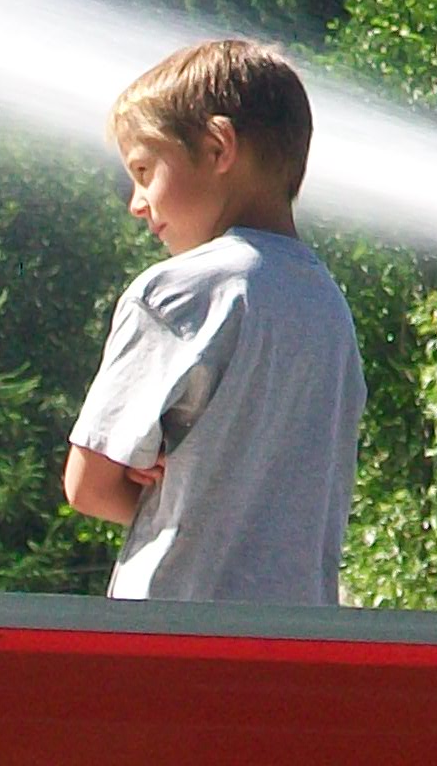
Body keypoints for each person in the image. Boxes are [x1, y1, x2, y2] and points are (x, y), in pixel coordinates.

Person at [62, 38, 365, 604]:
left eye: (144, 170)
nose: (136, 202)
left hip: (174, 630)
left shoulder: (177, 292)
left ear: (218, 146)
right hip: (297, 635)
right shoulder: (329, 310)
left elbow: (87, 484)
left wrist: (154, 485)